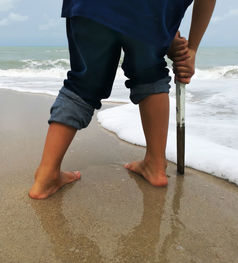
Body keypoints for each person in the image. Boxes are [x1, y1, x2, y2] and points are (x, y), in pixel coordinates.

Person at [29, 0, 216, 199]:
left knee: (83, 84)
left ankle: (47, 174)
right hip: (152, 8)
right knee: (150, 74)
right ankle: (155, 165)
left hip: (90, 6)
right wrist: (190, 49)